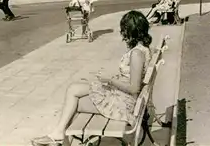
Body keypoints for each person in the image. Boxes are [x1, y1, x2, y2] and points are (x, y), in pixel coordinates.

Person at [30, 10, 153, 146]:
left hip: (124, 104)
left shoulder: (136, 53)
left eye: (124, 30)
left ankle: (60, 137)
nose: (123, 33)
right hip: (123, 98)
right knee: (75, 88)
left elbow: (134, 88)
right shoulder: (143, 49)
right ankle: (59, 135)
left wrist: (110, 80)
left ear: (131, 31)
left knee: (74, 103)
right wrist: (111, 79)